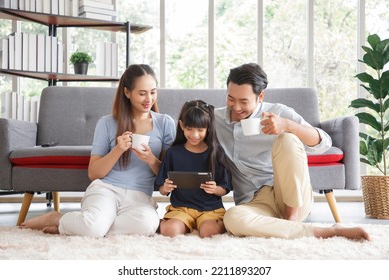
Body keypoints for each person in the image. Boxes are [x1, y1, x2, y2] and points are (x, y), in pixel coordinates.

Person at [214, 62, 370, 240]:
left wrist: (287, 125)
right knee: (232, 218)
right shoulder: (216, 119)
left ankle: (292, 218)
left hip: (290, 197)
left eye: (243, 101)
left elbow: (324, 143)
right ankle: (326, 231)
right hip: (254, 202)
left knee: (287, 138)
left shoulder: (278, 112)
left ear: (260, 97)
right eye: (231, 99)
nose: (236, 107)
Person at [20, 64, 176, 237]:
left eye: (153, 92)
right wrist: (118, 149)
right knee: (96, 226)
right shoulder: (107, 123)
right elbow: (94, 173)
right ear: (127, 92)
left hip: (140, 196)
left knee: (146, 225)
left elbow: (168, 175)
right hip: (107, 189)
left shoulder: (165, 123)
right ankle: (61, 219)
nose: (149, 99)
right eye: (142, 93)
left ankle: (73, 224)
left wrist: (151, 160)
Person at [155, 100, 232, 238]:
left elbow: (224, 189)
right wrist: (166, 188)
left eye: (200, 130)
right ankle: (180, 224)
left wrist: (215, 189)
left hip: (211, 209)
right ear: (181, 125)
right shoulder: (173, 153)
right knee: (170, 231)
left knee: (209, 232)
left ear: (208, 128)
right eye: (189, 129)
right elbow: (161, 189)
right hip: (181, 209)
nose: (194, 135)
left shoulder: (216, 153)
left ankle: (219, 224)